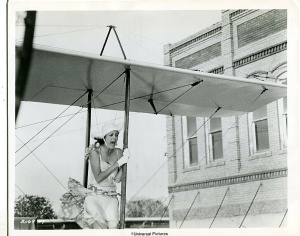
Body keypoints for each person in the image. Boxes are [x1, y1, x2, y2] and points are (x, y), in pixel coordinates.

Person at [58, 122, 129, 229]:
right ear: (103, 137)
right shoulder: (95, 152)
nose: (114, 138)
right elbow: (99, 178)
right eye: (111, 135)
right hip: (95, 197)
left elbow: (118, 179)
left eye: (116, 135)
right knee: (99, 230)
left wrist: (125, 162)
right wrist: (118, 164)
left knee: (114, 228)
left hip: (111, 198)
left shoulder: (118, 152)